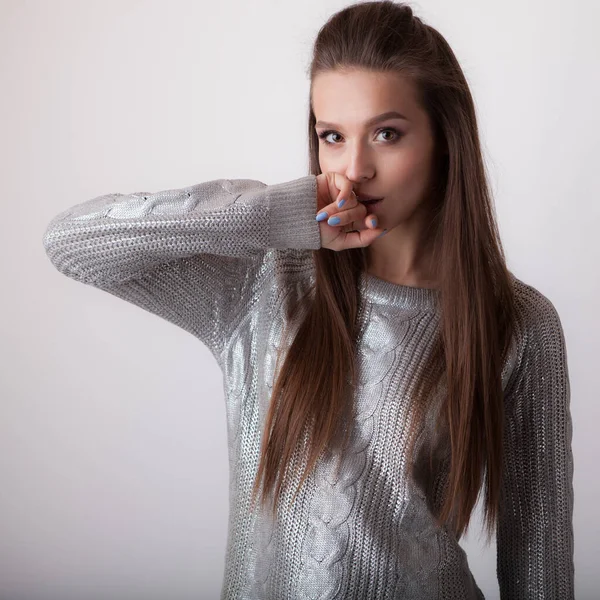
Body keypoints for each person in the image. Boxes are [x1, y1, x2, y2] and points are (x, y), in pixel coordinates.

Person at [42, 1, 574, 598]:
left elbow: (540, 564)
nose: (354, 168)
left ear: (445, 138)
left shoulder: (518, 324)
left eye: (387, 133)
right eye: (332, 136)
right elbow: (73, 244)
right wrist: (274, 214)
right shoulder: (263, 284)